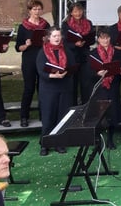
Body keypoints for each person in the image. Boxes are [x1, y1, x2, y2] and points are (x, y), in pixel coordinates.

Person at [36, 27, 75, 156]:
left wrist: (66, 72)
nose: (57, 38)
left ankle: (59, 143)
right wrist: (52, 76)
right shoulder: (43, 52)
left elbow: (73, 66)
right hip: (49, 88)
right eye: (54, 36)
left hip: (64, 87)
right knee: (48, 117)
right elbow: (40, 71)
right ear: (48, 38)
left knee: (62, 117)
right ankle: (45, 144)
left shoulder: (66, 50)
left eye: (58, 36)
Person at [15, 0, 50, 128]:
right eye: (34, 9)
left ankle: (43, 115)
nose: (37, 11)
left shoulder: (45, 25)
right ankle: (24, 117)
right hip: (29, 59)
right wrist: (26, 44)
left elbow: (51, 42)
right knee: (29, 88)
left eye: (39, 9)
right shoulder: (23, 26)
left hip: (42, 59)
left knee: (42, 89)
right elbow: (18, 47)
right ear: (29, 11)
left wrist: (45, 40)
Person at [89, 28, 121, 149]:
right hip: (100, 86)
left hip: (113, 86)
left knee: (112, 112)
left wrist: (120, 70)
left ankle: (110, 139)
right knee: (99, 113)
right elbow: (88, 71)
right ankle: (97, 138)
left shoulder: (116, 52)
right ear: (98, 39)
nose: (105, 40)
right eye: (102, 38)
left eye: (107, 38)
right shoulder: (93, 53)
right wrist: (97, 73)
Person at [62, 2, 96, 105]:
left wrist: (85, 42)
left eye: (80, 10)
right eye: (75, 11)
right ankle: (72, 107)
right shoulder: (66, 24)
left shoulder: (88, 23)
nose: (78, 13)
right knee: (73, 83)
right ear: (71, 13)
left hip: (85, 55)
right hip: (72, 56)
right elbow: (64, 42)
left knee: (86, 82)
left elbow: (92, 39)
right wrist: (75, 44)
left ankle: (85, 106)